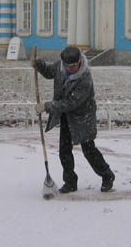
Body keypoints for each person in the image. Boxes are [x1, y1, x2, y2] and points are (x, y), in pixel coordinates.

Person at [33, 45, 115, 193]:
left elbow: (70, 103)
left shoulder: (85, 80)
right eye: (67, 65)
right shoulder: (60, 67)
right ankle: (70, 182)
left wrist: (46, 106)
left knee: (89, 151)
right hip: (66, 117)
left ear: (79, 62)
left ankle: (107, 176)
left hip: (83, 118)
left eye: (73, 66)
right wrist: (39, 65)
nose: (69, 68)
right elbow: (50, 72)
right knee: (64, 151)